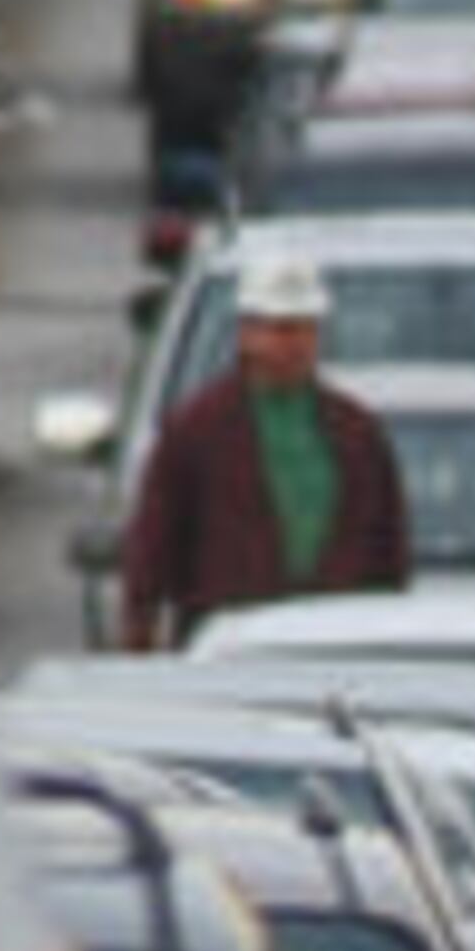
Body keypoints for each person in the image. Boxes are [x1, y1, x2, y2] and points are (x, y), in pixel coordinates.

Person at [117, 236, 410, 651]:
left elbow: (388, 557)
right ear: (247, 333)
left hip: (338, 650)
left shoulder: (357, 432)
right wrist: (139, 647)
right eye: (280, 329)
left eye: (305, 328)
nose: (293, 344)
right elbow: (151, 554)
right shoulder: (196, 431)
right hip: (228, 654)